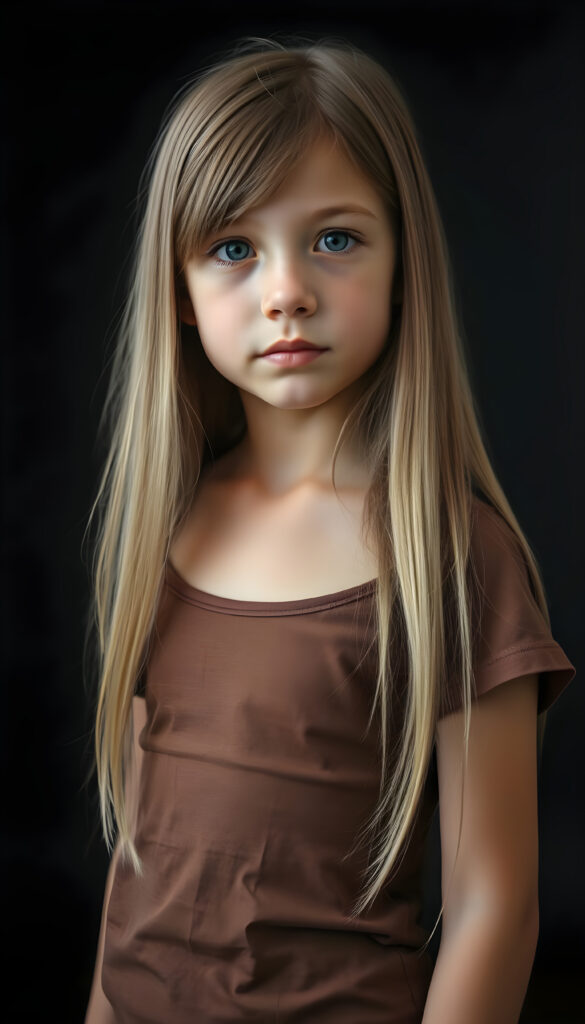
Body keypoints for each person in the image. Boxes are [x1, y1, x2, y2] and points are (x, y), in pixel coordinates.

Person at [83, 38, 576, 1024]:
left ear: (404, 260)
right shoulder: (166, 528)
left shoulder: (453, 558)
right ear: (179, 293)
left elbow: (496, 908)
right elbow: (136, 870)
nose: (286, 291)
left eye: (336, 239)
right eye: (233, 248)